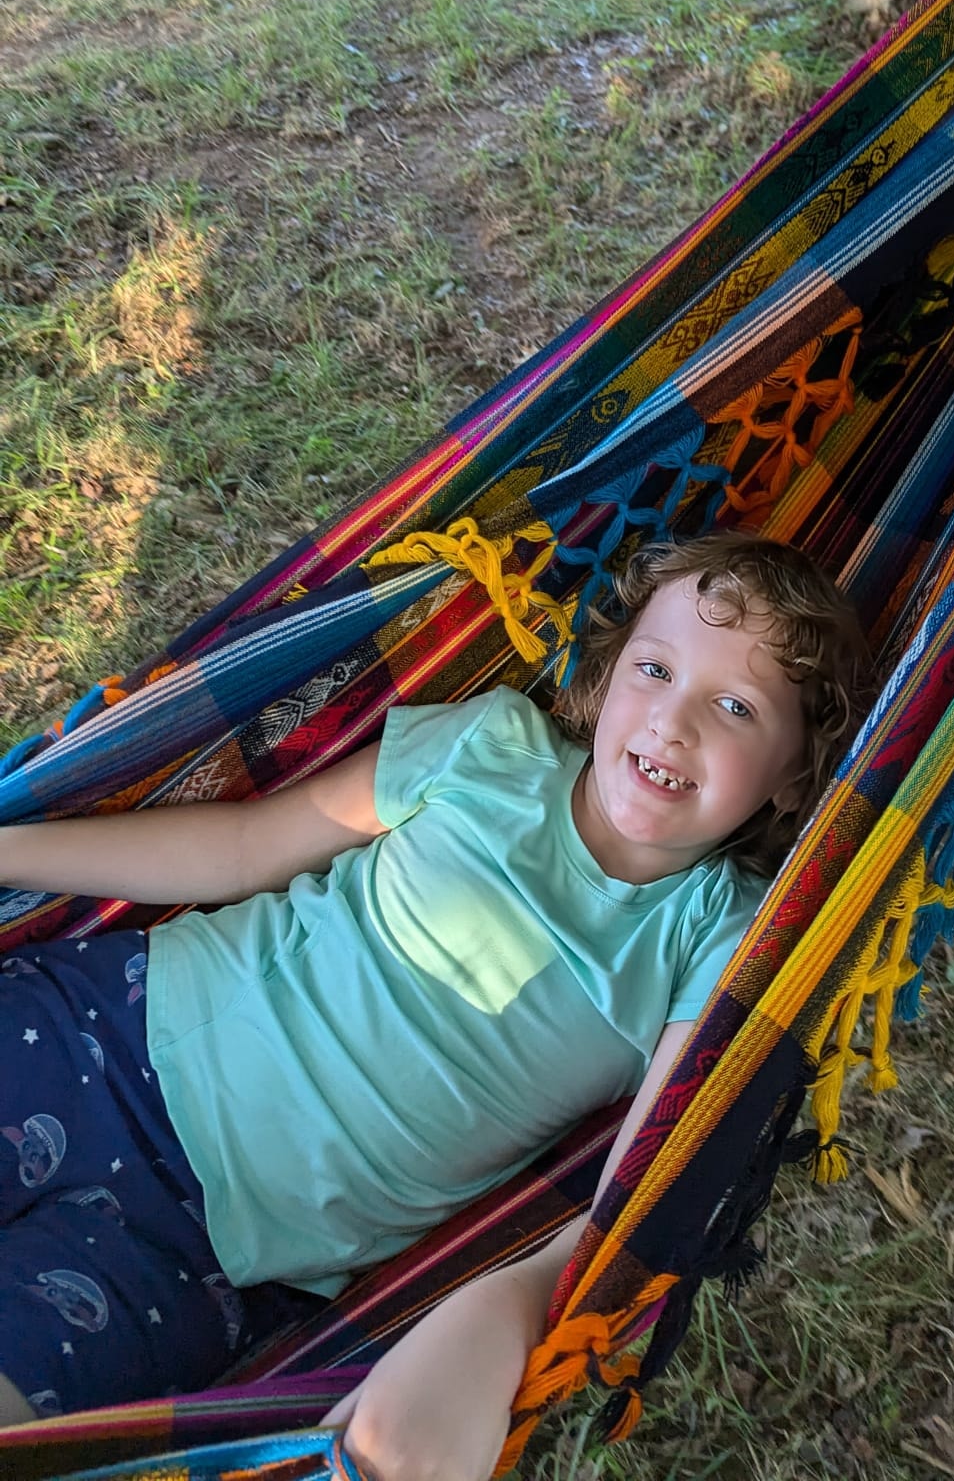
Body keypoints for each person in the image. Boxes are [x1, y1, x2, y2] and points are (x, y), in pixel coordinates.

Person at [0, 531, 870, 1477]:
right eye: (654, 670)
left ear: (793, 776)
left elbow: (647, 1188)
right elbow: (243, 850)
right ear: (608, 675)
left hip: (202, 1261)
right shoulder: (489, 749)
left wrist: (506, 1313)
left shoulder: (723, 941)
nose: (672, 723)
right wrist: (10, 850)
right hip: (101, 1032)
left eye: (735, 706)